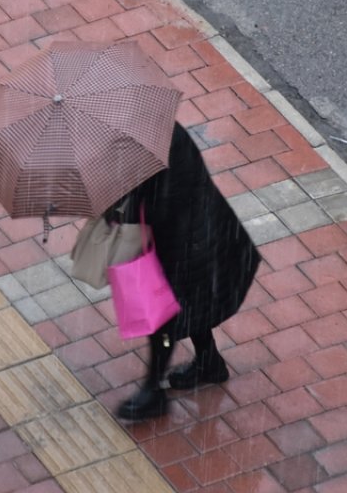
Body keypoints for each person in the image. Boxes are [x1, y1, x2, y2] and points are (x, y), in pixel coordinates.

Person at [105, 122, 262, 421]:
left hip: (184, 240)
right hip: (191, 235)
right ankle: (208, 361)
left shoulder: (152, 140)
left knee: (164, 316)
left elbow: (157, 200)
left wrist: (122, 210)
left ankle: (154, 392)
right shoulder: (146, 130)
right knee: (191, 303)